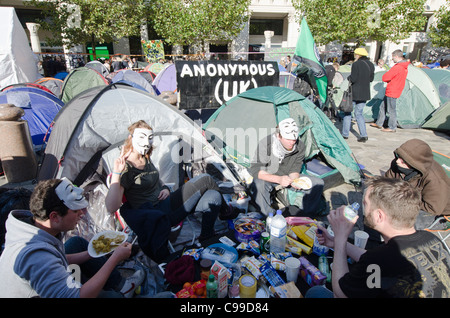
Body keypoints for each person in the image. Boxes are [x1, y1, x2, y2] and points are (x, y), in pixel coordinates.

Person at [307, 177, 450, 298]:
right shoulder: (431, 238)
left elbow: (340, 292)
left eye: (366, 203)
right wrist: (336, 243)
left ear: (379, 216)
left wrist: (340, 238)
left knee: (316, 292)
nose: (363, 207)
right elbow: (380, 261)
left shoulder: (380, 258)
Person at [0, 178, 142, 298]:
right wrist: (114, 258)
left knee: (76, 243)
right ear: (54, 217)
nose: (81, 213)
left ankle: (123, 285)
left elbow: (57, 258)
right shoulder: (37, 258)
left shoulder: (32, 227)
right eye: (75, 210)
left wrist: (92, 253)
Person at [105, 120, 224, 261]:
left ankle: (206, 237)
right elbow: (111, 207)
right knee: (205, 179)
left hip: (166, 201)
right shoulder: (126, 168)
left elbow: (157, 180)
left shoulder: (145, 157)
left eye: (150, 138)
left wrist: (165, 188)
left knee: (214, 196)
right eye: (142, 137)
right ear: (131, 138)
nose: (147, 142)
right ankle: (228, 212)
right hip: (158, 214)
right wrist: (116, 173)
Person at [248, 118, 324, 217]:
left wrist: (294, 180)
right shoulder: (266, 144)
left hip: (287, 176)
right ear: (279, 136)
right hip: (269, 176)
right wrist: (279, 179)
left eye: (294, 139)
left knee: (318, 183)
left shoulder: (299, 146)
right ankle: (269, 216)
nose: (292, 143)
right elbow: (256, 171)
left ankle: (306, 216)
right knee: (258, 184)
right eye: (288, 139)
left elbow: (295, 167)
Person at [384, 139, 450, 229]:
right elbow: (386, 183)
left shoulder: (435, 180)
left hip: (435, 214)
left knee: (393, 224)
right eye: (397, 156)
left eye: (403, 161)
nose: (398, 161)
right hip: (404, 201)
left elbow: (432, 209)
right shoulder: (398, 164)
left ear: (414, 164)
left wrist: (402, 200)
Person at [370, 50, 410, 132]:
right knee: (383, 106)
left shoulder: (398, 67)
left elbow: (385, 77)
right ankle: (379, 123)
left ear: (396, 56)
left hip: (392, 90)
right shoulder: (404, 67)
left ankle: (392, 127)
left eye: (393, 57)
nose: (392, 59)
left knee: (391, 110)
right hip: (395, 89)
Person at [341, 47, 375, 143]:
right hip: (365, 93)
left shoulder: (356, 64)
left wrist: (348, 78)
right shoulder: (371, 65)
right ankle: (363, 135)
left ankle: (345, 134)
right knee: (359, 114)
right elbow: (371, 79)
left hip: (354, 92)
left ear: (358, 55)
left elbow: (353, 78)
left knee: (348, 112)